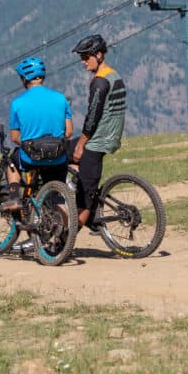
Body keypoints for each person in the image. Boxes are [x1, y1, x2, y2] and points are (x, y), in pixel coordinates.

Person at [67, 34, 127, 229]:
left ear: (99, 55)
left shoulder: (99, 82)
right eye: (81, 58)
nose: (83, 62)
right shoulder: (114, 75)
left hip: (97, 139)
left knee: (85, 197)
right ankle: (78, 178)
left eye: (87, 57)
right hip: (111, 135)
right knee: (66, 152)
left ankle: (64, 239)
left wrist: (81, 146)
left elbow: (92, 118)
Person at [0, 57, 73, 212]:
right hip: (57, 157)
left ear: (24, 78)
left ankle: (14, 198)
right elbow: (69, 132)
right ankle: (65, 232)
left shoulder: (17, 103)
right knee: (57, 197)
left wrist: (30, 144)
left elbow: (14, 137)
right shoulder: (61, 98)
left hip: (30, 158)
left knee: (11, 161)